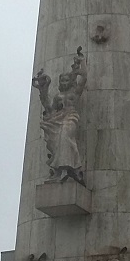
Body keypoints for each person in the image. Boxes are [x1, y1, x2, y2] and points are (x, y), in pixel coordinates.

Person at [32, 48, 87, 184]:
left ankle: (70, 168)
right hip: (59, 119)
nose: (63, 82)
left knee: (65, 136)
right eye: (61, 80)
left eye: (66, 80)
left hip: (71, 117)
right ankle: (62, 170)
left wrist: (82, 64)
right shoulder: (58, 96)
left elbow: (84, 78)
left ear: (70, 81)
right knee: (59, 140)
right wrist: (43, 90)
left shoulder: (75, 93)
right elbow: (50, 108)